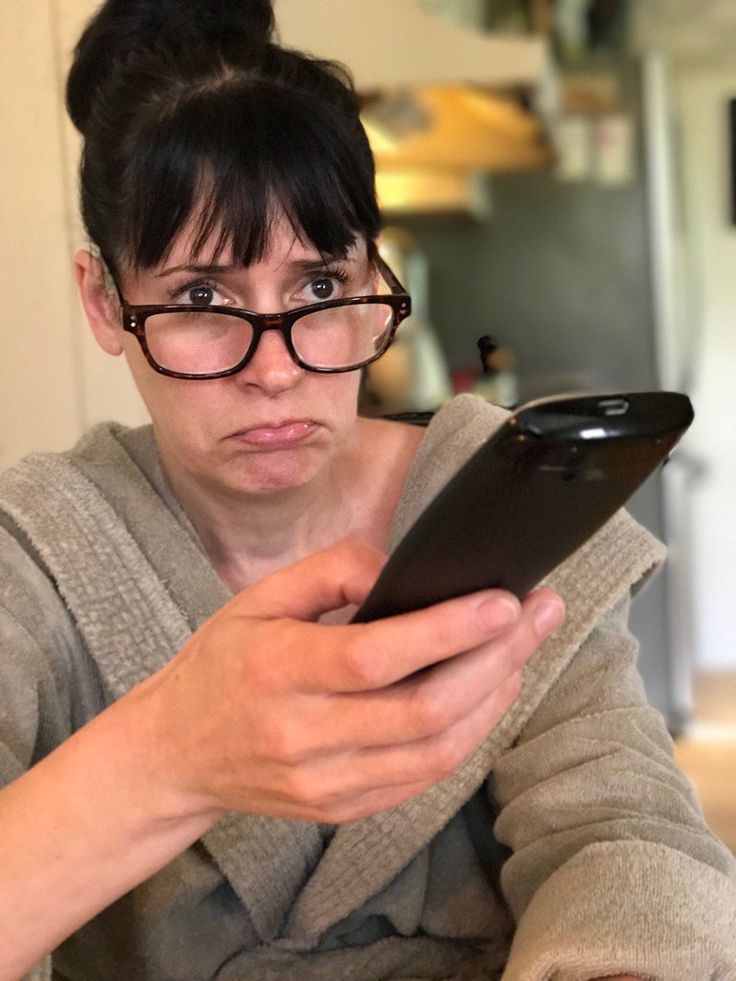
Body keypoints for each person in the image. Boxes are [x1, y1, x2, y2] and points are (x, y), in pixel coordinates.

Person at [0, 1, 734, 979]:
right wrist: (171, 755)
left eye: (316, 290)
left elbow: (619, 830)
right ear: (105, 301)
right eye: (201, 300)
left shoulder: (494, 499)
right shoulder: (39, 550)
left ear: (375, 276)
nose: (273, 370)